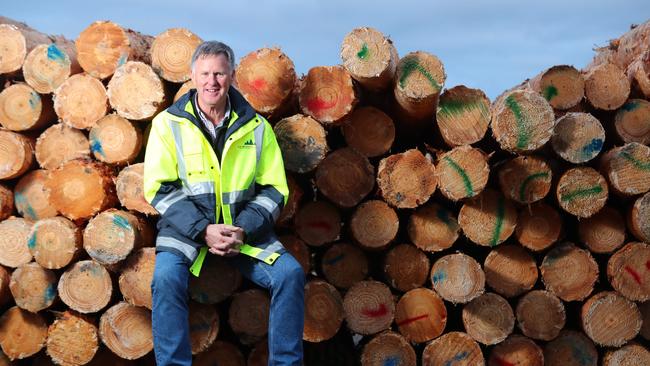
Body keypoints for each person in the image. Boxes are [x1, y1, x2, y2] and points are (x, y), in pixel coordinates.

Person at [143, 41, 305, 366]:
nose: (211, 81)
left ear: (231, 75)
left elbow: (274, 189)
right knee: (165, 279)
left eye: (218, 73)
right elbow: (159, 188)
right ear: (191, 76)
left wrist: (243, 229)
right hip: (186, 233)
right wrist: (203, 230)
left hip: (242, 233)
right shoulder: (168, 125)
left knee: (290, 274)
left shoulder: (257, 128)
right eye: (204, 74)